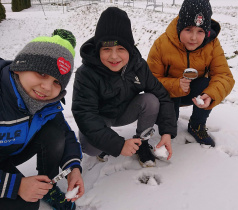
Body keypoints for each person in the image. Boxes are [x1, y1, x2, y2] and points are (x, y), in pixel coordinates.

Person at [72, 7, 177, 168]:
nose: (114, 56)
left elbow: (162, 95)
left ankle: (141, 144)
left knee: (151, 100)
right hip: (101, 118)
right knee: (90, 148)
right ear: (98, 49)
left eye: (121, 49)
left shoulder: (139, 66)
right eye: (107, 49)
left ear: (129, 49)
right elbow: (85, 114)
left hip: (126, 111)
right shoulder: (85, 74)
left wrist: (167, 132)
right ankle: (105, 144)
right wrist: (117, 144)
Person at [0, 29, 84, 210]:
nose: (46, 87)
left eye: (56, 82)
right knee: (25, 204)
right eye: (42, 73)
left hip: (7, 155)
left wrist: (73, 168)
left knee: (55, 132)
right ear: (20, 66)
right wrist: (15, 186)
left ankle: (48, 185)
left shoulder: (44, 103)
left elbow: (64, 132)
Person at [147, 0, 235, 147]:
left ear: (206, 31)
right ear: (179, 27)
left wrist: (211, 95)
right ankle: (168, 125)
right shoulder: (162, 44)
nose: (194, 37)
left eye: (200, 31)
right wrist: (175, 85)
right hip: (169, 94)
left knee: (207, 84)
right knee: (170, 123)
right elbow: (150, 80)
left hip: (194, 93)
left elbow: (224, 76)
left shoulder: (212, 44)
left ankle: (197, 125)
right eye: (188, 29)